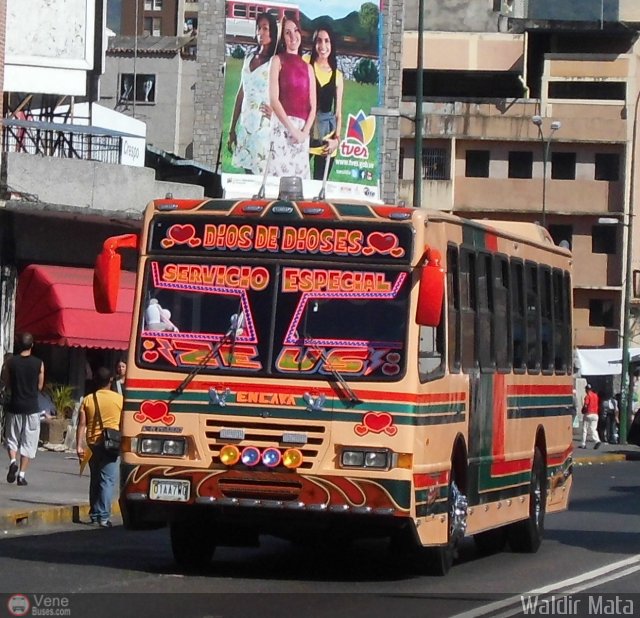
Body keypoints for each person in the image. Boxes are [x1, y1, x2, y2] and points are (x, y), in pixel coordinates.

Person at [227, 12, 278, 175]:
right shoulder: (248, 58)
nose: (260, 33)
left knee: (261, 174)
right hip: (245, 126)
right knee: (247, 174)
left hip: (263, 129)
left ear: (272, 32)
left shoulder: (275, 62)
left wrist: (275, 114)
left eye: (265, 28)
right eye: (258, 28)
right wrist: (232, 128)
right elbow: (241, 93)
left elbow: (282, 93)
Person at [268, 15, 317, 178]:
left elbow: (313, 107)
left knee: (300, 187)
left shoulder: (308, 68)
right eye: (287, 32)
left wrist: (304, 133)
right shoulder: (277, 61)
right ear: (283, 38)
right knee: (277, 184)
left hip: (302, 135)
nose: (293, 36)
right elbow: (274, 99)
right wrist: (291, 129)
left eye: (295, 31)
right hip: (282, 129)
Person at [76, 366, 123, 527]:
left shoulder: (89, 399)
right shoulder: (119, 399)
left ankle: (95, 513)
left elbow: (82, 424)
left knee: (95, 479)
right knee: (107, 480)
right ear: (111, 380)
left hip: (92, 444)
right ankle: (103, 516)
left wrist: (79, 446)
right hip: (112, 444)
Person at [2, 333, 45, 486]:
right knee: (29, 441)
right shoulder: (39, 363)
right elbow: (40, 386)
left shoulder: (11, 362)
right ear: (32, 345)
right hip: (32, 407)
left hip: (15, 405)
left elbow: (6, 382)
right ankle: (21, 475)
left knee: (12, 438)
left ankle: (13, 461)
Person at [307, 25, 343, 180]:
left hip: (326, 143)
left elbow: (338, 114)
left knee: (316, 192)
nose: (323, 46)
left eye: (327, 41)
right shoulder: (305, 63)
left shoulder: (337, 75)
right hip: (304, 139)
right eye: (319, 41)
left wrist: (337, 140)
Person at [580, 383, 601, 449]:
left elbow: (586, 405)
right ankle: (597, 440)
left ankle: (583, 444)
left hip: (589, 413)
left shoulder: (587, 396)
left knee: (584, 429)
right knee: (593, 429)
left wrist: (583, 410)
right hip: (595, 414)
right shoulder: (596, 396)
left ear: (586, 389)